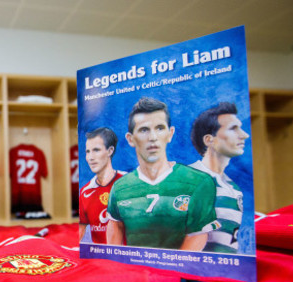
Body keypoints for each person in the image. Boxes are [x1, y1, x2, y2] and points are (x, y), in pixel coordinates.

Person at [106, 97, 218, 250]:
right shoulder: (120, 188)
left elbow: (197, 235)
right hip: (136, 271)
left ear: (170, 133)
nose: (153, 137)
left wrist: (172, 269)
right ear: (130, 139)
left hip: (176, 271)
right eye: (144, 130)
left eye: (159, 128)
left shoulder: (199, 182)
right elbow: (115, 227)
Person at [189, 102, 249, 253]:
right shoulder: (187, 178)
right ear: (209, 140)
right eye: (233, 128)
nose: (244, 135)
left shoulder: (234, 188)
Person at [79, 127, 125, 243]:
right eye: (87, 152)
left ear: (110, 151)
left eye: (96, 150)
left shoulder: (128, 183)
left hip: (127, 258)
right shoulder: (85, 192)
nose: (90, 157)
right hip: (99, 258)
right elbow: (80, 232)